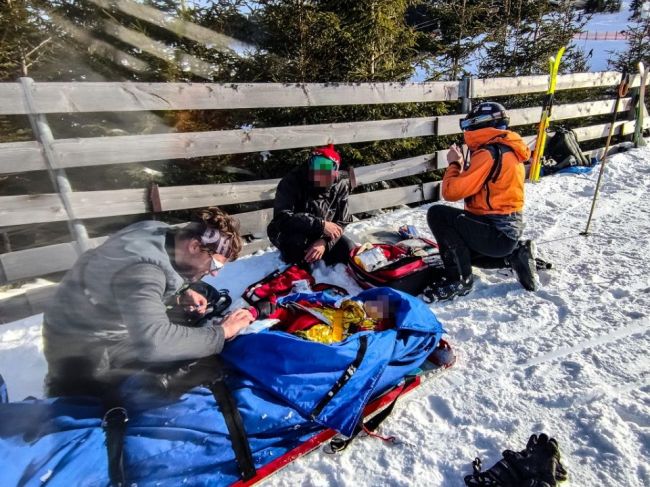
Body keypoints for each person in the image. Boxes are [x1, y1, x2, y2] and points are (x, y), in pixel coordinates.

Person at [42, 207, 255, 397]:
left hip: (91, 315)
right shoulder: (144, 272)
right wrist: (222, 332)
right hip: (80, 342)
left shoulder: (159, 231)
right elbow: (153, 344)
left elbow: (126, 283)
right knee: (93, 410)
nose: (214, 274)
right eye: (216, 265)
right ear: (194, 246)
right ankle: (64, 389)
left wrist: (181, 293)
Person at [424, 102, 539, 302]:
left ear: (480, 125)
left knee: (438, 214)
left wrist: (454, 164)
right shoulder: (508, 148)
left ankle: (460, 279)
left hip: (496, 232)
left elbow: (451, 192)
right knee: (461, 252)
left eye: (469, 125)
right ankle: (515, 254)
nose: (467, 130)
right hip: (506, 231)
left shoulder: (489, 153)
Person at [267, 144, 355, 266]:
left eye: (325, 168)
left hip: (323, 233)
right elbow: (282, 218)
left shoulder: (341, 184)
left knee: (349, 250)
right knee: (296, 250)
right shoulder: (291, 182)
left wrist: (324, 241)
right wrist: (320, 225)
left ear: (335, 171)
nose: (319, 171)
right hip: (292, 230)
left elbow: (342, 221)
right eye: (316, 165)